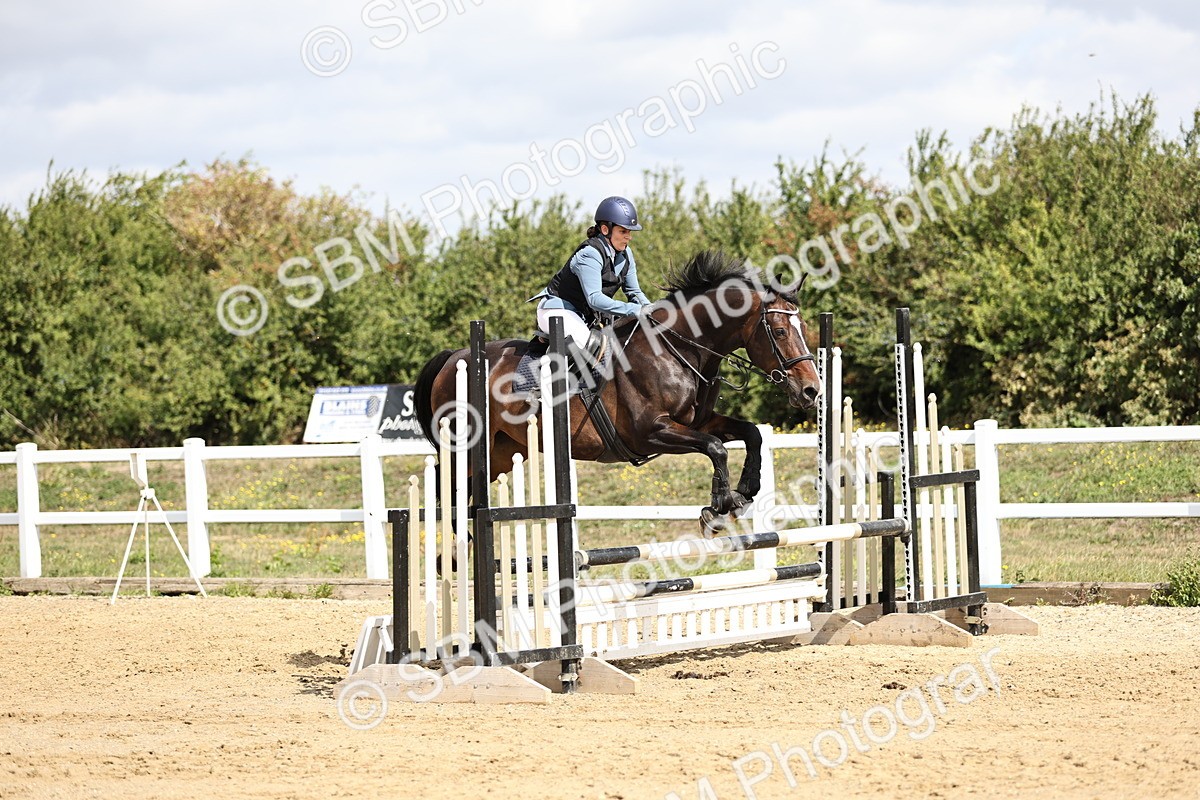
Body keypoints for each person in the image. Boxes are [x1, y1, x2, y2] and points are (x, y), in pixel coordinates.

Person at [532, 196, 651, 349]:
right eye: (623, 231)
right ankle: (548, 370)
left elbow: (634, 292)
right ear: (605, 229)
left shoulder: (626, 254)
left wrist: (653, 310)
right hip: (558, 311)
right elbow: (594, 299)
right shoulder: (590, 254)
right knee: (589, 344)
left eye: (629, 231)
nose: (629, 236)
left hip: (585, 316)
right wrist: (636, 310)